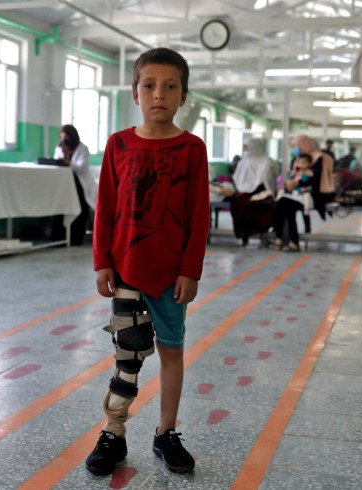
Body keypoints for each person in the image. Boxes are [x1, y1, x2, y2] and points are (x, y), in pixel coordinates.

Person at [88, 47, 210, 476]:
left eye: (170, 86)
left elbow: (199, 215)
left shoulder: (192, 147)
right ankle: (114, 432)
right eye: (149, 85)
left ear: (183, 95)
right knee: (127, 354)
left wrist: (190, 270)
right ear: (136, 93)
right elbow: (104, 207)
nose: (159, 94)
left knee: (170, 352)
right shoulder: (118, 144)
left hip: (171, 277)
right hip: (125, 269)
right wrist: (102, 260)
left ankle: (166, 433)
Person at [53, 124, 97, 245]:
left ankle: (75, 239)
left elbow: (81, 168)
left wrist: (68, 162)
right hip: (64, 182)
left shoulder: (82, 148)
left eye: (66, 136)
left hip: (80, 183)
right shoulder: (60, 147)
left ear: (72, 136)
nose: (63, 139)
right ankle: (59, 238)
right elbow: (56, 161)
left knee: (79, 205)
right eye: (61, 137)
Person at [229, 137, 277, 247]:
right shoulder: (242, 163)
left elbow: (268, 181)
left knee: (266, 205)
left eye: (247, 147)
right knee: (238, 204)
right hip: (244, 192)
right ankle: (244, 235)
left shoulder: (266, 161)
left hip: (262, 191)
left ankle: (263, 234)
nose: (245, 149)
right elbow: (238, 179)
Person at [272, 153, 316, 252]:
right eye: (299, 162)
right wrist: (293, 173)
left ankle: (294, 241)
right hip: (291, 196)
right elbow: (287, 182)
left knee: (289, 210)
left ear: (309, 164)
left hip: (302, 198)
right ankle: (278, 236)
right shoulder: (294, 173)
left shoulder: (309, 173)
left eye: (304, 162)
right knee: (279, 205)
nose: (301, 164)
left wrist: (296, 179)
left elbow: (303, 182)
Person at [291, 134, 335, 228]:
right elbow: (291, 175)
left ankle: (302, 232)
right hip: (298, 191)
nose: (295, 148)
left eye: (297, 146)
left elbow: (316, 179)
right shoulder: (296, 159)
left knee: (302, 206)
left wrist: (298, 183)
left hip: (314, 193)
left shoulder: (318, 158)